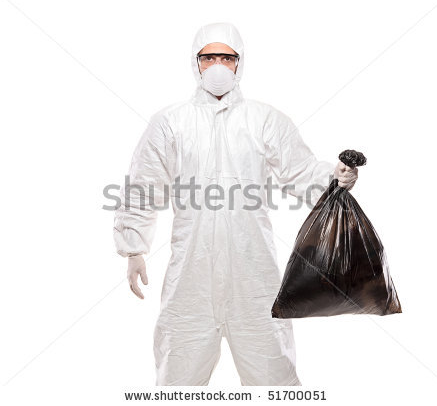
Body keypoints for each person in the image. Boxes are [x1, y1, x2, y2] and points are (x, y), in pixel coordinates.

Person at [113, 22, 358, 386]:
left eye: (226, 58)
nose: (217, 66)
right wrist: (133, 247)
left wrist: (333, 178)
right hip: (191, 278)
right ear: (195, 62)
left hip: (254, 275)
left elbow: (299, 170)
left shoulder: (264, 120)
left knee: (273, 378)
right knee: (178, 379)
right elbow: (143, 185)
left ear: (239, 63)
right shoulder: (170, 122)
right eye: (209, 57)